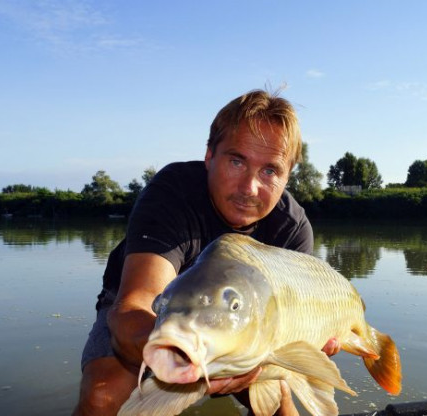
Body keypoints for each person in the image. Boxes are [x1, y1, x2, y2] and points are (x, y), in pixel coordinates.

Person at [73, 89, 338, 416]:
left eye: (270, 171)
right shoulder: (173, 193)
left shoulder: (291, 229)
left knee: (279, 408)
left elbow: (295, 331)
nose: (249, 188)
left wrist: (310, 346)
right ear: (210, 156)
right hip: (156, 313)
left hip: (248, 324)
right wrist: (185, 359)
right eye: (237, 161)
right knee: (103, 397)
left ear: (287, 176)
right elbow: (137, 302)